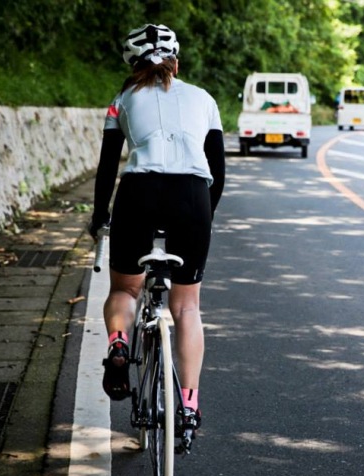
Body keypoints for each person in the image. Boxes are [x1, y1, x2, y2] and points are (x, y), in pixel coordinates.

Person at [88, 23, 225, 434]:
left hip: (138, 193)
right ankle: (188, 405)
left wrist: (100, 218)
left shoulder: (122, 100)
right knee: (186, 307)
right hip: (192, 196)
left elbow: (107, 166)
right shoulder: (204, 99)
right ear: (176, 62)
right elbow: (216, 170)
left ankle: (118, 342)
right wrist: (204, 216)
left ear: (132, 65)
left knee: (126, 289)